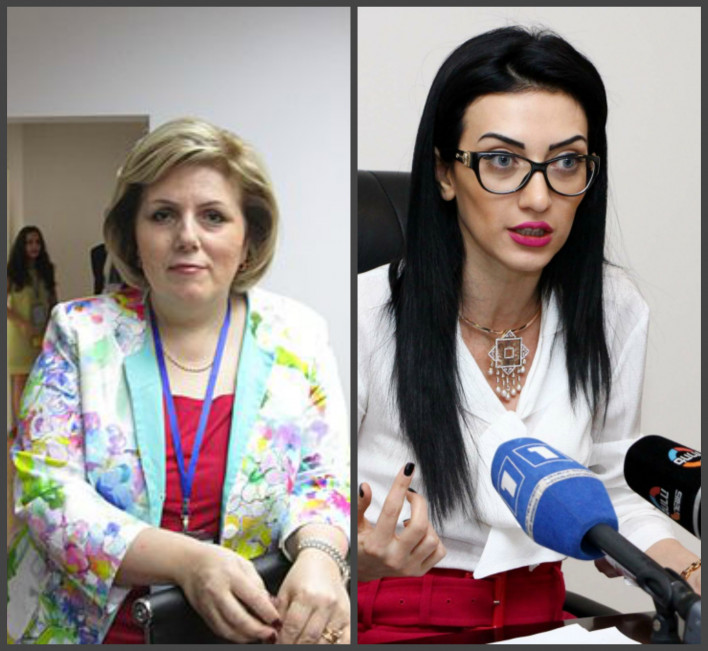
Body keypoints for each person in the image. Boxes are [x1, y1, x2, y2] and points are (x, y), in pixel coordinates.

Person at [357, 26, 700, 643]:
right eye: (502, 161)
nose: (539, 197)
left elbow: (611, 485)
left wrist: (688, 576)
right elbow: (289, 526)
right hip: (394, 625)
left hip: (547, 625)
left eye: (566, 162)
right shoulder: (361, 317)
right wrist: (352, 557)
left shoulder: (613, 308)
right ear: (444, 172)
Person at [8, 117, 351, 645]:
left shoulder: (297, 336)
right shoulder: (79, 332)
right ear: (133, 235)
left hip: (248, 629)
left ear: (249, 236)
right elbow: (47, 493)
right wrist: (189, 562)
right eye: (163, 214)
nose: (187, 236)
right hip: (90, 630)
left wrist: (321, 556)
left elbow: (322, 479)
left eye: (213, 216)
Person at [7, 225, 58, 436]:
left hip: (42, 332)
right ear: (22, 246)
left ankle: (36, 426)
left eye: (37, 242)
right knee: (21, 379)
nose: (34, 246)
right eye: (29, 242)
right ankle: (21, 430)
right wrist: (21, 323)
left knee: (39, 379)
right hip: (20, 335)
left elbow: (54, 301)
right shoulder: (12, 272)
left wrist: (52, 326)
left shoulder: (47, 269)